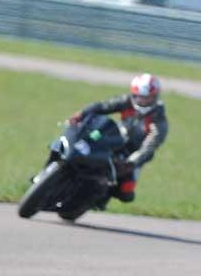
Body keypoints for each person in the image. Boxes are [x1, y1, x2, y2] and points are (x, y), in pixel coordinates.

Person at [69, 73, 168, 203]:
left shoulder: (159, 120)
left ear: (155, 97)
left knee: (126, 193)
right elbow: (103, 106)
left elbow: (149, 146)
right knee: (91, 138)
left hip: (133, 154)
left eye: (148, 98)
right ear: (134, 95)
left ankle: (101, 197)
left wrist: (131, 162)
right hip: (115, 138)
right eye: (140, 97)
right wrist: (82, 114)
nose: (143, 101)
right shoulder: (126, 102)